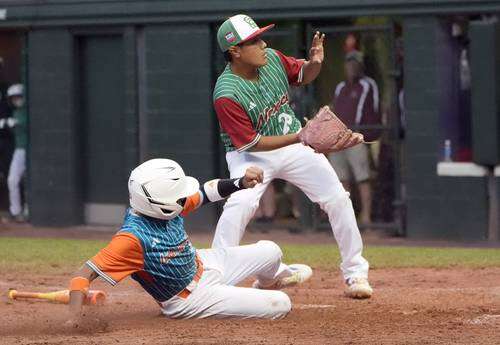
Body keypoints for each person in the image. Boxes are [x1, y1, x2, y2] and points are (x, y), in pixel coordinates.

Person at [211, 14, 372, 298]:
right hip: (251, 156)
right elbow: (251, 143)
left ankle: (355, 273)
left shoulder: (271, 59)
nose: (263, 44)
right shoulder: (226, 93)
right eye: (254, 41)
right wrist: (302, 136)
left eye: (261, 37)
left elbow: (302, 74)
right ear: (235, 51)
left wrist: (316, 64)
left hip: (295, 147)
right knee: (241, 204)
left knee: (337, 198)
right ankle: (214, 277)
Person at [66, 158, 312, 323]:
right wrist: (73, 320)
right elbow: (82, 274)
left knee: (271, 250)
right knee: (281, 304)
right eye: (180, 197)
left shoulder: (165, 204)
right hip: (188, 298)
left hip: (203, 262)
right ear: (159, 205)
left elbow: (207, 192)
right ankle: (258, 295)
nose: (186, 199)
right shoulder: (131, 240)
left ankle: (266, 283)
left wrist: (240, 183)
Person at [329, 51, 380, 227]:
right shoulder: (340, 87)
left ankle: (366, 216)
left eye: (355, 63)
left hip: (356, 138)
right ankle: (347, 218)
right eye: (349, 63)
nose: (351, 67)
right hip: (338, 139)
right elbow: (335, 112)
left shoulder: (368, 85)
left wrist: (367, 136)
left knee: (362, 178)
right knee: (341, 180)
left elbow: (373, 111)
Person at [6, 84, 27, 222]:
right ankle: (16, 211)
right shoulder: (16, 112)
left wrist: (16, 123)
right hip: (20, 150)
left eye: (18, 97)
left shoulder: (29, 111)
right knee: (12, 179)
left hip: (31, 150)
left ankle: (28, 211)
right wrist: (9, 124)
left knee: (30, 182)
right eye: (14, 98)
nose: (16, 100)